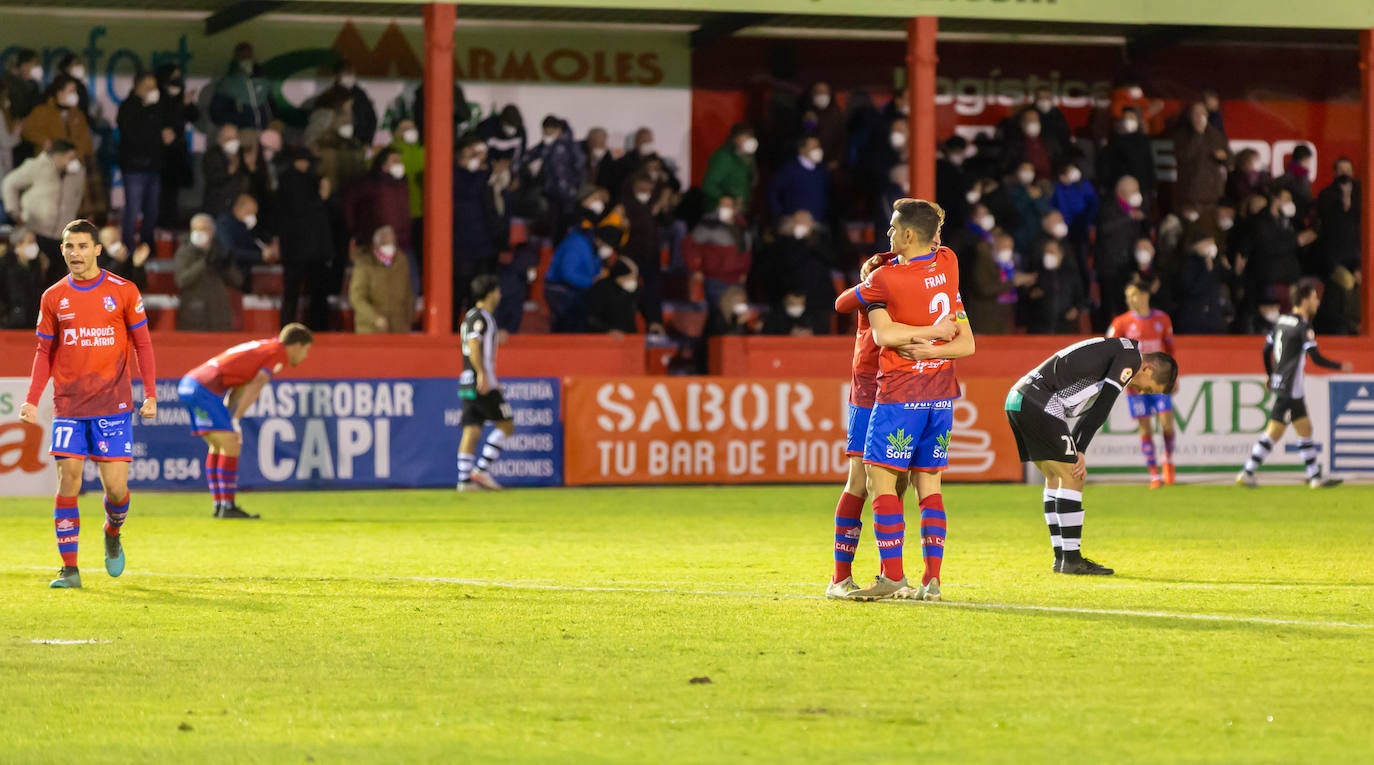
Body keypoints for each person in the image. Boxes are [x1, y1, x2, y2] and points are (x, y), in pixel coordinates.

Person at [844, 199, 977, 602]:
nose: (887, 235)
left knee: (878, 481)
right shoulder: (949, 268)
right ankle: (932, 580)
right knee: (929, 485)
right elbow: (967, 344)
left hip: (900, 392)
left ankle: (892, 576)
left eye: (891, 230)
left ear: (906, 235)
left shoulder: (888, 282)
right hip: (940, 395)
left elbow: (851, 310)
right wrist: (936, 342)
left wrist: (875, 271)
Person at [18, 219, 157, 588]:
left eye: (82, 246)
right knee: (69, 479)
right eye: (69, 247)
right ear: (61, 250)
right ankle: (69, 568)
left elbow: (143, 344)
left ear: (97, 249)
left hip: (113, 404)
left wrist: (152, 393)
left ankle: (112, 530)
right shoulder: (53, 297)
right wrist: (32, 400)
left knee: (115, 490)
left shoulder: (123, 291)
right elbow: (43, 351)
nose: (75, 253)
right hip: (70, 405)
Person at [827, 251, 959, 598]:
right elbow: (858, 314)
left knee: (895, 482)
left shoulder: (919, 286)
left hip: (902, 390)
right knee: (863, 479)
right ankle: (842, 577)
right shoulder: (882, 289)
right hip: (871, 391)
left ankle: (892, 574)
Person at [1006, 337, 1178, 576]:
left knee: (1055, 476)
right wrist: (1080, 448)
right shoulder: (1131, 359)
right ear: (1148, 369)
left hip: (1018, 398)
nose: (1139, 391)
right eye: (1147, 387)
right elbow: (1103, 404)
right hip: (1040, 401)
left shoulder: (1120, 349)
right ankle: (1072, 560)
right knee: (1074, 476)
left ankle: (1061, 557)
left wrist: (1076, 446)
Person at [177, 324, 314, 519]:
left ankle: (220, 505)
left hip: (191, 383)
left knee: (219, 445)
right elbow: (256, 385)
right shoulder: (279, 353)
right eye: (306, 350)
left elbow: (240, 385)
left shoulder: (265, 348)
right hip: (204, 388)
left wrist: (230, 414)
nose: (305, 355)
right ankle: (228, 506)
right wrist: (235, 418)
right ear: (297, 346)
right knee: (231, 444)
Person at [1237, 279, 1351, 489]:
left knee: (1301, 428)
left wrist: (1270, 375)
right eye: (1314, 298)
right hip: (1291, 388)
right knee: (1277, 431)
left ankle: (1314, 476)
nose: (1317, 302)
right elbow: (1315, 358)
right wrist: (1340, 366)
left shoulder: (1282, 321)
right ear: (1305, 300)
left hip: (1284, 384)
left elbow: (1265, 350)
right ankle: (1248, 471)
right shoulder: (1302, 326)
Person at [1108, 280, 1178, 488]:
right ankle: (1154, 475)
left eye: (1134, 295)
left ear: (1145, 295)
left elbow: (1170, 349)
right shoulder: (1121, 323)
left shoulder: (1162, 320)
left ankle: (1168, 460)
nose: (1130, 300)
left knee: (1167, 423)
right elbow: (1111, 349)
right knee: (1145, 428)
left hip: (1159, 381)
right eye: (1128, 296)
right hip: (1135, 384)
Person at [457, 275, 514, 492]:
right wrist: (483, 374)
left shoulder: (474, 316)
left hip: (468, 380)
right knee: (506, 423)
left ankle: (464, 480)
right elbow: (473, 344)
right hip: (479, 381)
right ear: (491, 293)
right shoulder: (480, 317)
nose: (499, 295)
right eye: (497, 291)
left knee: (472, 429)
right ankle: (481, 470)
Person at [275, 147, 334, 330]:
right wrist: (321, 196)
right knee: (305, 292)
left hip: (302, 250)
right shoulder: (293, 182)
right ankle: (309, 329)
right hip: (301, 250)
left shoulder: (295, 181)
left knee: (300, 293)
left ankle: (292, 329)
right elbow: (302, 209)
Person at [116, 71, 172, 252]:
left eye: (154, 86)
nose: (153, 90)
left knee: (152, 211)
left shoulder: (157, 107)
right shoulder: (128, 107)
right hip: (134, 168)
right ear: (138, 86)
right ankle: (129, 248)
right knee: (132, 211)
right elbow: (132, 135)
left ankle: (148, 245)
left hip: (154, 167)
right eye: (148, 86)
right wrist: (158, 135)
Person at [2, 140, 84, 245]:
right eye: (70, 158)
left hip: (62, 235)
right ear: (58, 156)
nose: (74, 162)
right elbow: (9, 183)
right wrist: (14, 211)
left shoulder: (77, 173)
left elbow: (77, 197)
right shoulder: (36, 166)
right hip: (36, 233)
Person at [174, 214, 240, 332]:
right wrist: (204, 262)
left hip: (219, 316)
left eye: (204, 229)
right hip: (194, 317)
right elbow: (182, 281)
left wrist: (226, 264)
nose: (199, 233)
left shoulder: (220, 251)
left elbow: (237, 280)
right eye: (196, 229)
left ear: (212, 231)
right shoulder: (184, 253)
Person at [349, 226, 414, 334]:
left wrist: (408, 318)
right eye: (385, 243)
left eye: (392, 243)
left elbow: (408, 293)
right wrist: (375, 318)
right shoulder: (364, 265)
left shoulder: (402, 262)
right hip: (371, 330)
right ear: (376, 246)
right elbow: (357, 298)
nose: (389, 247)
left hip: (399, 329)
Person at [209, 42, 272, 131]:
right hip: (241, 134)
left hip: (264, 133)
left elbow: (271, 106)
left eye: (248, 56)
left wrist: (274, 123)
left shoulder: (263, 81)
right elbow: (217, 114)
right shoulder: (228, 84)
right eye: (242, 57)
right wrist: (240, 120)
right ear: (236, 59)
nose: (246, 60)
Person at [767, 136, 830, 223]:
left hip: (817, 223)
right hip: (795, 224)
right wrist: (781, 215)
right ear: (802, 150)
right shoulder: (789, 170)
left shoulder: (822, 170)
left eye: (818, 146)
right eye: (813, 147)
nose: (818, 150)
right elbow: (773, 191)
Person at [701, 123, 758, 213]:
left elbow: (752, 180)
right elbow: (708, 184)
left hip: (740, 209)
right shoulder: (724, 157)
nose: (749, 140)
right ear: (735, 139)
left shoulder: (748, 158)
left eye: (751, 136)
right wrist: (722, 198)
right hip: (721, 210)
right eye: (746, 137)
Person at [97, 224, 150, 291]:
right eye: (112, 241)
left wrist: (138, 266)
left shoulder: (128, 257)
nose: (117, 244)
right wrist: (118, 261)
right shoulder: (96, 260)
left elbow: (139, 287)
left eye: (118, 240)